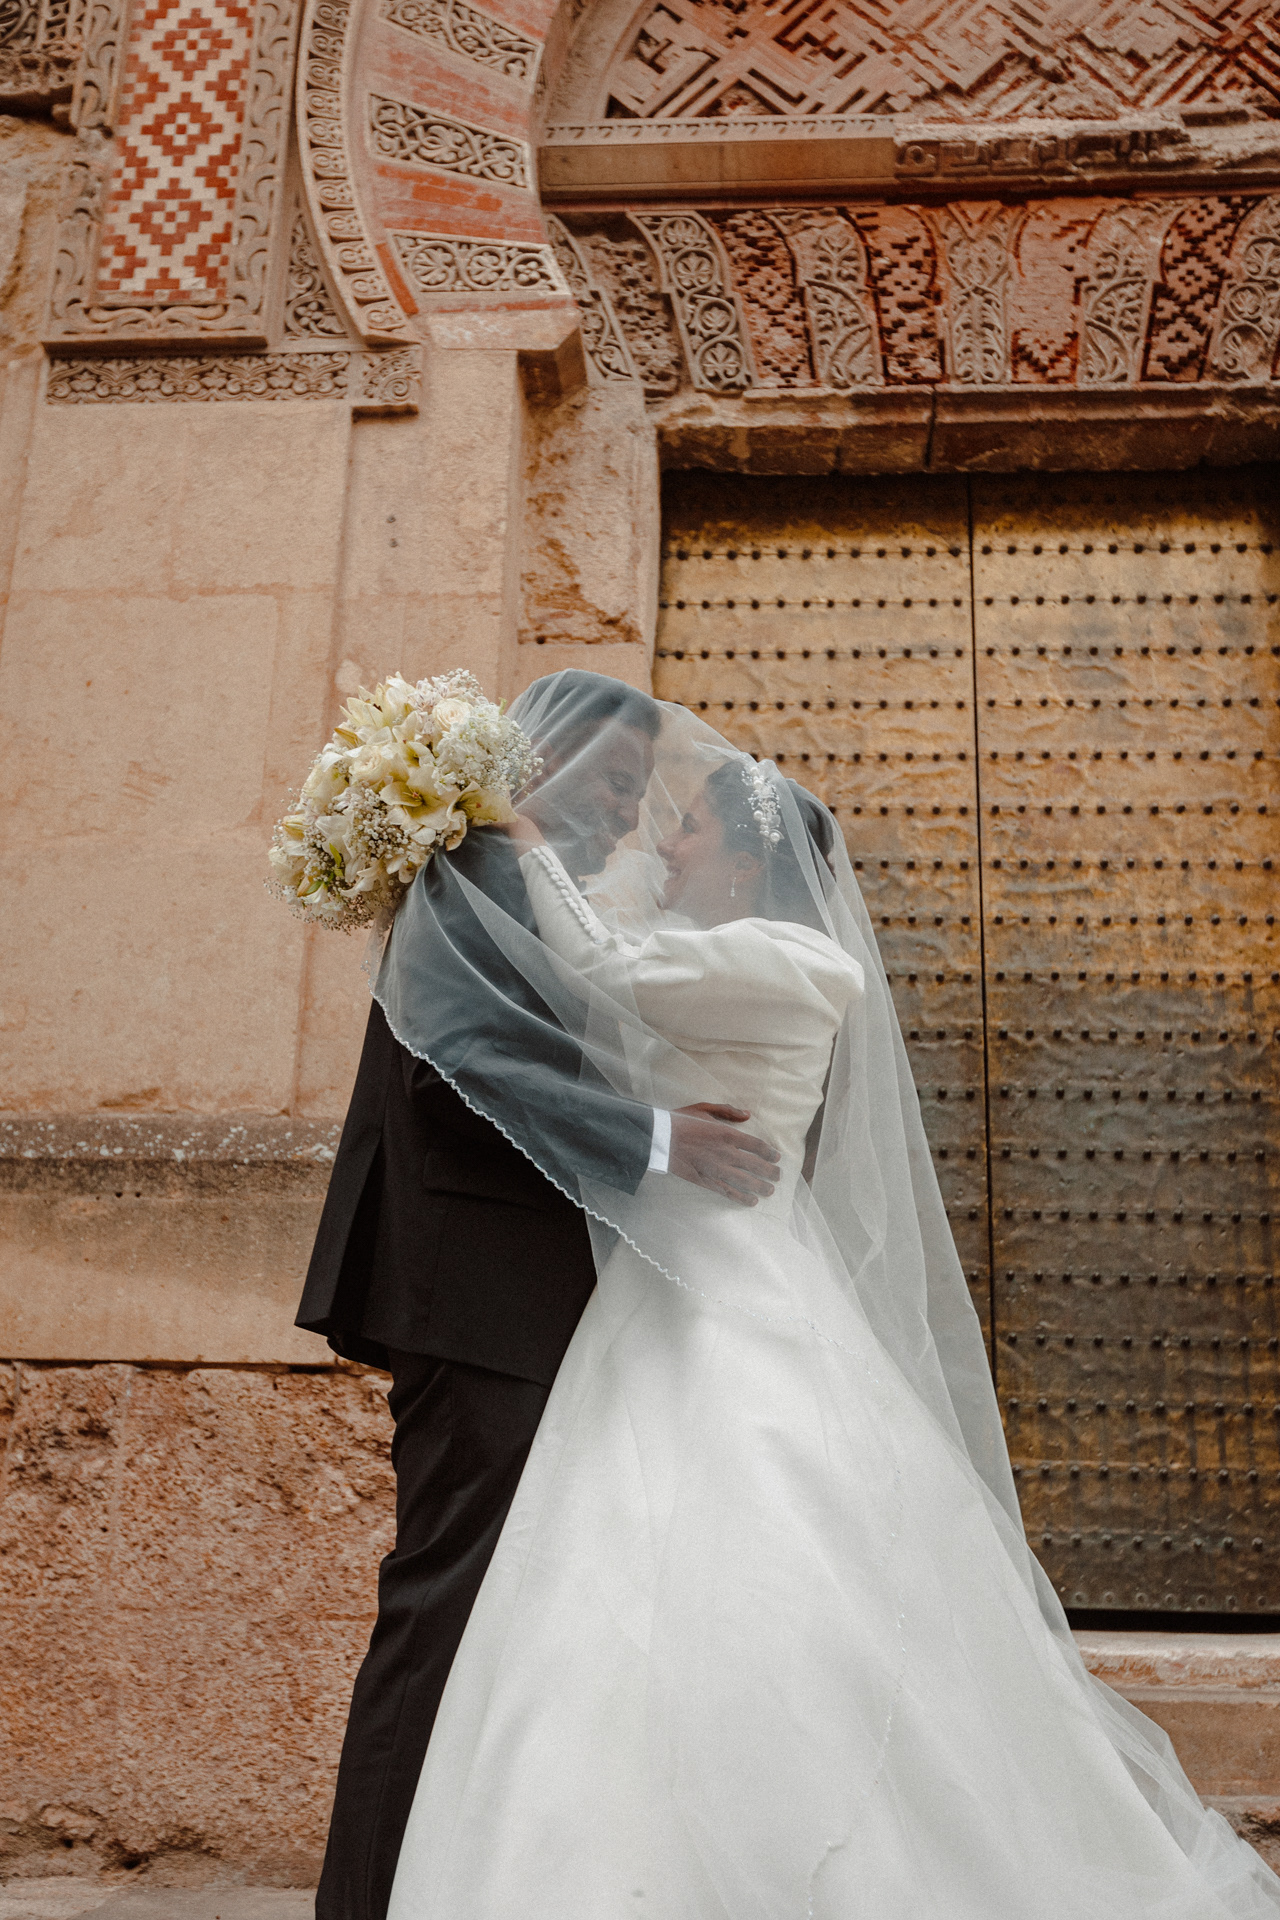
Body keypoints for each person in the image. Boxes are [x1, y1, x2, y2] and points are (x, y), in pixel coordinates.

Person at [370, 676, 1280, 1920]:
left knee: (754, 1527)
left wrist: (519, 839)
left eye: (687, 825)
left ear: (749, 865)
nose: (659, 839)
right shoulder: (721, 950)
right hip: (665, 1279)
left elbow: (600, 966)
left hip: (723, 1282)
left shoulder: (788, 960)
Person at [298, 672, 779, 1920]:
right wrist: (657, 1140)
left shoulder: (516, 883)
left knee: (473, 1617)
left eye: (640, 791)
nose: (627, 813)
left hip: (490, 1294)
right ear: (544, 758)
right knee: (440, 1611)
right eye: (614, 782)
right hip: (480, 1294)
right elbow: (458, 1067)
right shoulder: (485, 871)